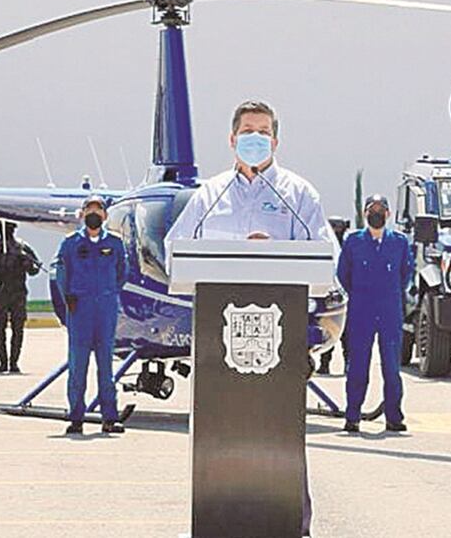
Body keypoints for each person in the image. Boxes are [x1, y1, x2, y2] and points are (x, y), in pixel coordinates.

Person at [165, 100, 330, 538]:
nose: (255, 138)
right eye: (247, 131)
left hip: (281, 344)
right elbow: (174, 250)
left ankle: (291, 525)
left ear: (275, 140)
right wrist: (233, 245)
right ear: (232, 138)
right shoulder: (208, 194)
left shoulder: (299, 195)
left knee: (279, 433)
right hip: (218, 353)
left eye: (263, 131)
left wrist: (271, 249)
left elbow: (325, 260)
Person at [336, 195, 413, 433]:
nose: (376, 214)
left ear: (388, 214)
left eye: (381, 210)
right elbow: (343, 274)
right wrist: (360, 294)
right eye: (372, 210)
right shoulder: (353, 241)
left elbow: (406, 274)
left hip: (390, 310)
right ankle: (353, 416)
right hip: (361, 310)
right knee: (358, 365)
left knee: (391, 367)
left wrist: (391, 294)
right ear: (365, 212)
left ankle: (393, 417)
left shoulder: (399, 242)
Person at [54, 194, 128, 435]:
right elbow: (61, 273)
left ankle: (110, 417)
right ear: (83, 214)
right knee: (78, 365)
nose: (94, 214)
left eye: (98, 210)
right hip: (80, 310)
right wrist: (70, 298)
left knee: (106, 366)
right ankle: (76, 417)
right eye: (89, 210)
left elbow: (121, 273)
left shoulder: (115, 244)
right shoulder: (70, 243)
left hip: (105, 309)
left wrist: (108, 293)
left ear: (105, 215)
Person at [0, 220, 41, 373]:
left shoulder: (22, 247)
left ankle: (14, 362)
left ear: (14, 228)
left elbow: (35, 270)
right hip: (0, 293)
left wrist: (27, 262)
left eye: (8, 228)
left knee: (17, 329)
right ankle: (3, 362)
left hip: (18, 294)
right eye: (1, 228)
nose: (5, 231)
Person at [317, 215, 351, 375]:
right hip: (330, 295)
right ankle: (325, 365)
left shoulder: (348, 247)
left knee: (347, 336)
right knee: (328, 330)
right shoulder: (326, 245)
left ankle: (348, 364)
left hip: (347, 294)